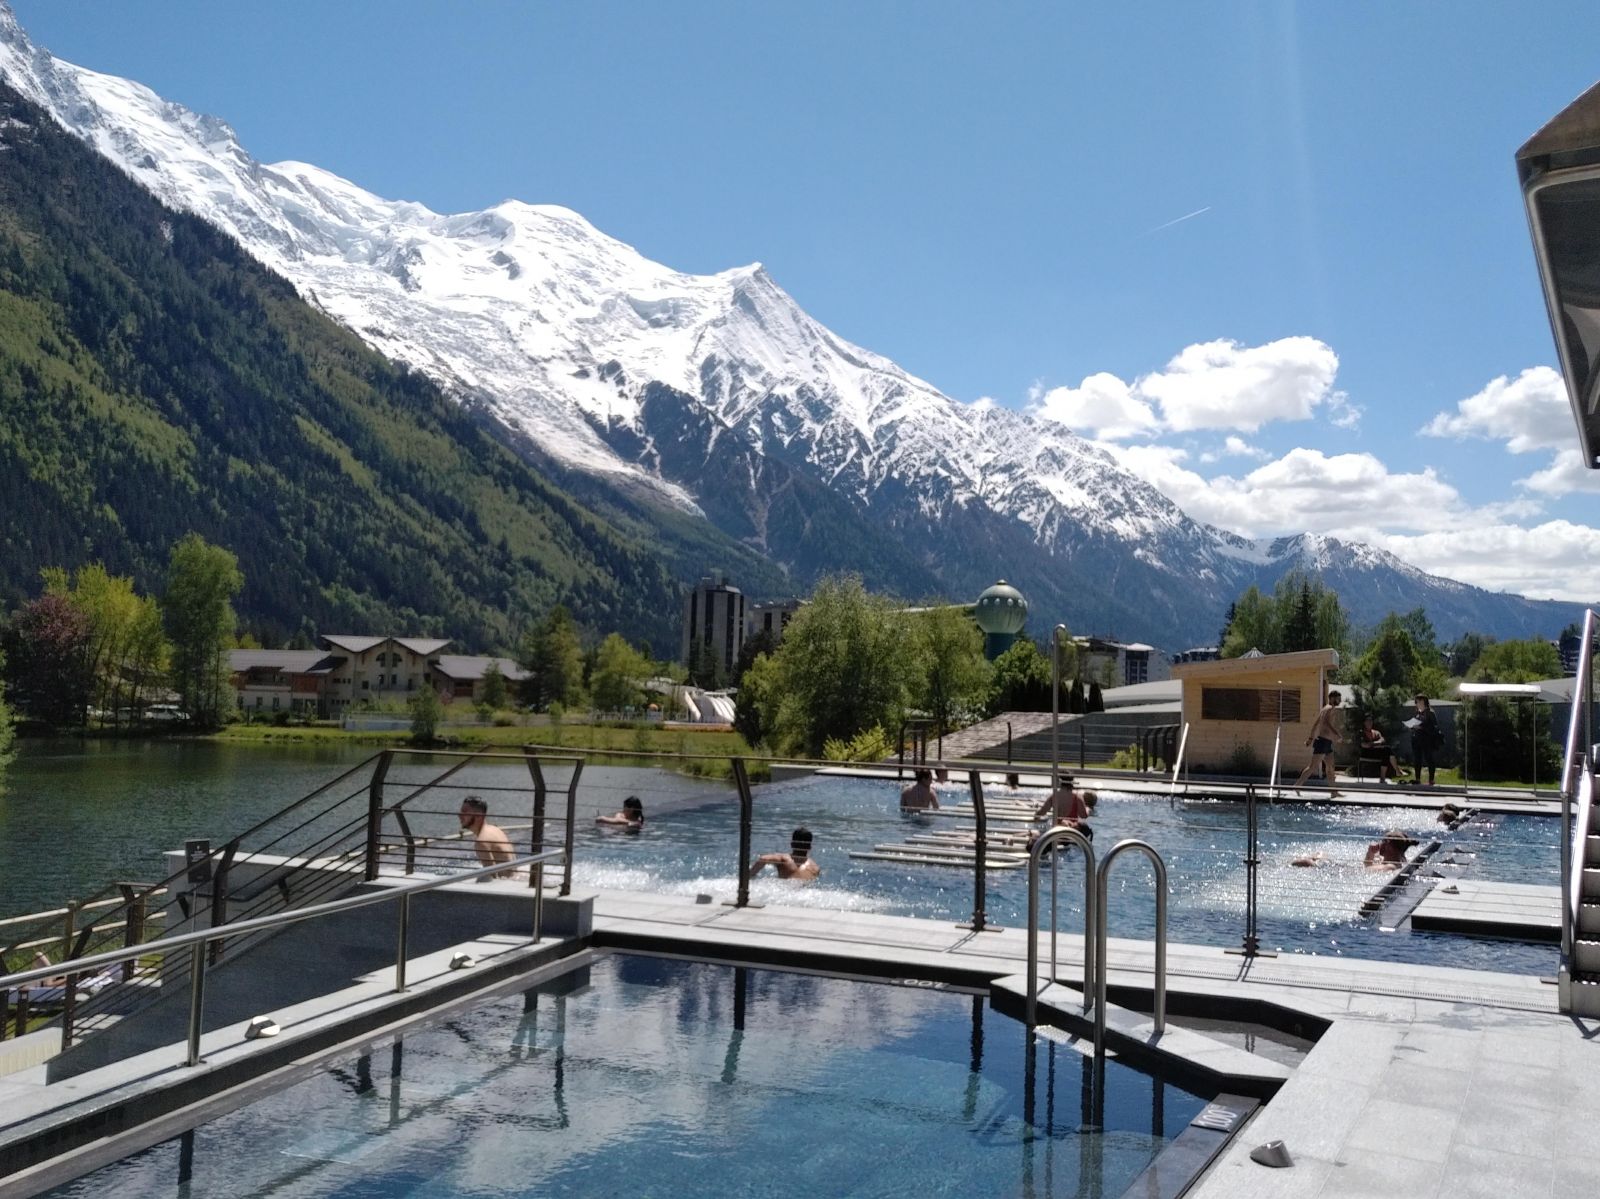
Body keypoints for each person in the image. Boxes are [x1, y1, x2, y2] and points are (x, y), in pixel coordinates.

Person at [1294, 690, 1345, 796]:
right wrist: (1337, 734)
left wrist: (1310, 738)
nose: (1339, 701)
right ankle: (1297, 785)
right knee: (1312, 767)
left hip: (1327, 742)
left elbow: (1316, 724)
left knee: (1330, 767)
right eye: (1337, 698)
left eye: (1339, 699)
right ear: (1332, 698)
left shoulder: (1325, 709)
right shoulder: (1329, 708)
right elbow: (1325, 723)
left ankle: (1333, 792)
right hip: (1322, 742)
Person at [458, 796, 515, 877]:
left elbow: (492, 878)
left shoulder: (482, 842)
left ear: (478, 815)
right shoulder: (495, 829)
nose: (459, 815)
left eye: (465, 812)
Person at [748, 827, 820, 881]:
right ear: (810, 847)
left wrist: (749, 877)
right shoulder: (815, 868)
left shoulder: (784, 859)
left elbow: (763, 859)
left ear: (792, 844)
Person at [1408, 694, 1442, 787]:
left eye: (1419, 701)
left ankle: (1431, 780)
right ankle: (1417, 779)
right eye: (1417, 702)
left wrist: (1421, 727)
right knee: (1417, 759)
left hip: (1427, 739)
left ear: (1424, 702)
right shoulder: (1417, 713)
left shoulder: (1430, 712)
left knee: (1429, 759)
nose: (1418, 703)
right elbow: (1415, 724)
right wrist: (1412, 727)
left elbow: (1434, 726)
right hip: (1417, 739)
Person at [1359, 715, 1402, 783]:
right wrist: (1376, 743)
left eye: (1371, 721)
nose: (1369, 723)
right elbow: (1364, 745)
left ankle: (1383, 778)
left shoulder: (1376, 732)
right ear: (1364, 723)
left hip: (1376, 752)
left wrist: (1372, 743)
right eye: (1368, 721)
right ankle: (1397, 770)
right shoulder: (1361, 733)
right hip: (1366, 753)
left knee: (1386, 752)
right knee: (1386, 750)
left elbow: (1382, 740)